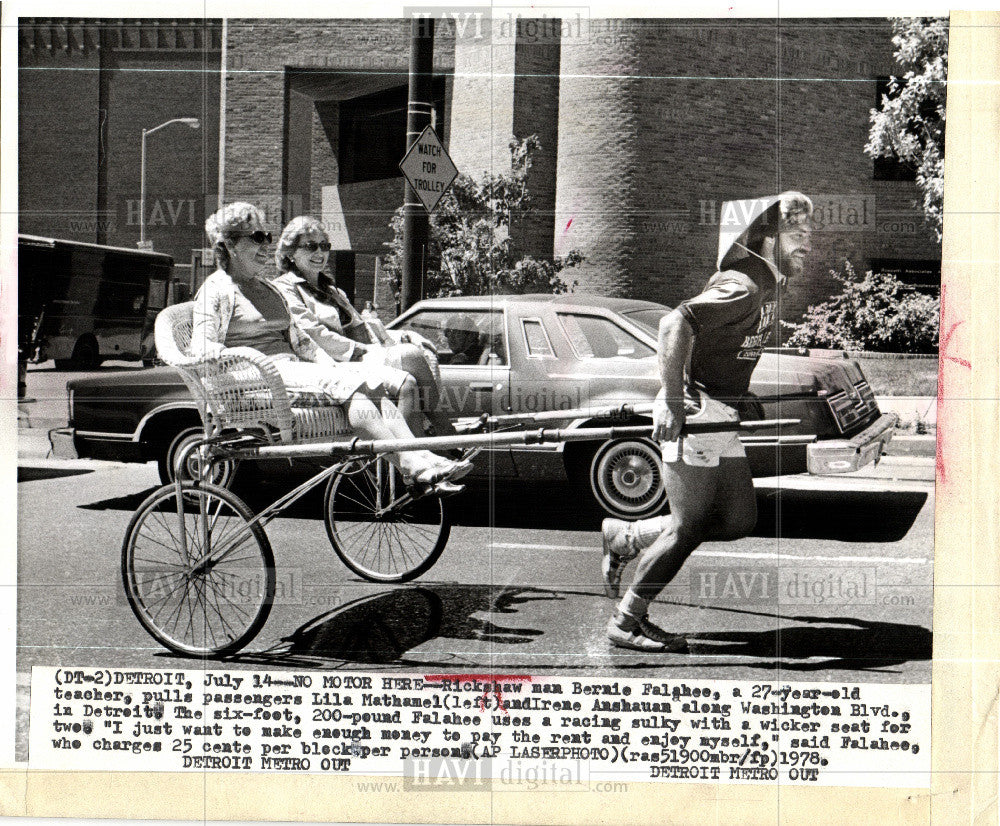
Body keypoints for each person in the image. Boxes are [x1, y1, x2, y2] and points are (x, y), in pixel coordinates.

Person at [600, 191, 814, 651]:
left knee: (739, 519)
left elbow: (728, 345)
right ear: (769, 238)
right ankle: (626, 622)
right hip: (697, 412)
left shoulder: (769, 283)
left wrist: (742, 392)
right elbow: (675, 323)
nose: (807, 245)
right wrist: (672, 399)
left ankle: (628, 536)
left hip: (723, 411)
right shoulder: (745, 284)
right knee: (688, 527)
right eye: (798, 235)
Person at [190, 202, 471, 490]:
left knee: (369, 383)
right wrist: (215, 350)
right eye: (256, 237)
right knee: (352, 384)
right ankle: (413, 464)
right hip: (257, 377)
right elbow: (200, 344)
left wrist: (334, 367)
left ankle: (421, 458)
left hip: (290, 370)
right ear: (231, 245)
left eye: (267, 237)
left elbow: (300, 339)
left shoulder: (267, 288)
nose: (265, 245)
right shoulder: (217, 290)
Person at [273, 216, 455, 438]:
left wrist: (404, 334)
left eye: (325, 246)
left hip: (358, 356)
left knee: (414, 356)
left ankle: (429, 445)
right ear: (290, 252)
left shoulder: (333, 291)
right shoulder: (285, 288)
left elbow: (364, 327)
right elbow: (312, 333)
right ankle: (443, 435)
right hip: (329, 362)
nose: (320, 253)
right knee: (409, 357)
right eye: (311, 246)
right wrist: (362, 349)